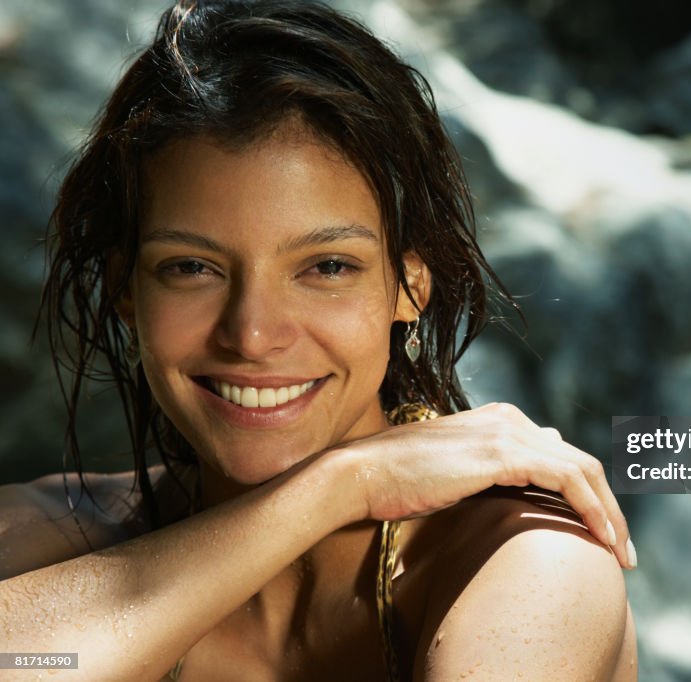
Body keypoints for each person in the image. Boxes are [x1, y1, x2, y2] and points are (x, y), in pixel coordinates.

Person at [0, 1, 637, 680]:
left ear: (409, 286)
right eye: (193, 268)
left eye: (327, 267)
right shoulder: (47, 533)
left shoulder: (528, 562)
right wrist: (341, 485)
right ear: (128, 289)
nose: (251, 334)